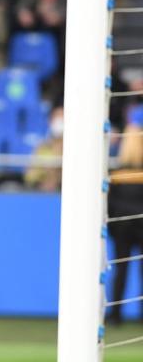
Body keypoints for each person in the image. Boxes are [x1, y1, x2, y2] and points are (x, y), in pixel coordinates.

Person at [106, 108, 143, 325]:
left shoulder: (118, 171)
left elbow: (110, 204)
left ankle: (115, 315)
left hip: (122, 227)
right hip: (140, 224)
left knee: (121, 268)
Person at [24, 105, 64, 192]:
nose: (60, 121)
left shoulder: (73, 151)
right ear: (50, 121)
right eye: (57, 117)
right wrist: (44, 174)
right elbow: (29, 175)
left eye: (62, 118)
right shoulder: (42, 148)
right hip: (43, 193)